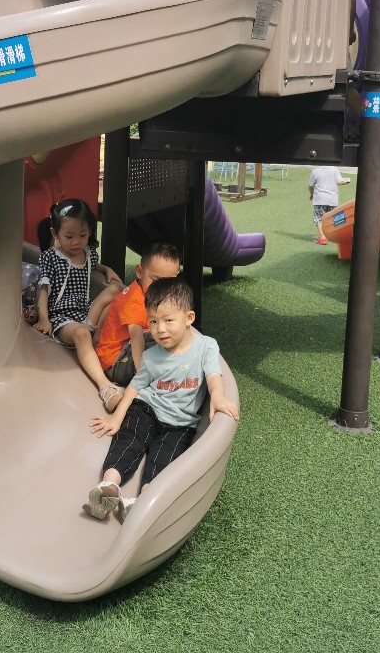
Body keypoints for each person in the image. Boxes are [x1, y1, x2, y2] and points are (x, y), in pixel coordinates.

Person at [84, 277, 239, 522]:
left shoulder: (206, 347)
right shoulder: (152, 356)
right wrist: (116, 418)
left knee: (165, 459)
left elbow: (213, 375)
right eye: (154, 321)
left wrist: (218, 397)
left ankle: (143, 502)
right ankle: (108, 487)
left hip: (180, 424)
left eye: (168, 320)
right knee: (130, 438)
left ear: (189, 318)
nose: (160, 329)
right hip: (147, 408)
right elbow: (135, 387)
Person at [34, 199, 123, 390]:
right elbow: (44, 289)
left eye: (82, 235)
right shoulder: (51, 257)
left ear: (90, 231)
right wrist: (44, 319)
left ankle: (96, 340)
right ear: (55, 233)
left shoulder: (88, 253)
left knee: (117, 290)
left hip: (86, 312)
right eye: (69, 236)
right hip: (61, 318)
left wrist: (107, 269)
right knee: (81, 333)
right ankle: (105, 386)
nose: (76, 242)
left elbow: (95, 266)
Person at [90, 241, 182, 412]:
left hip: (126, 352)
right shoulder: (134, 300)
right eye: (155, 280)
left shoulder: (155, 295)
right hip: (115, 362)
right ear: (139, 271)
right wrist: (141, 376)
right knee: (158, 336)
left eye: (168, 282)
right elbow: (136, 337)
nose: (161, 288)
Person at [309, 166, 351, 244]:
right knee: (334, 219)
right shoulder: (334, 170)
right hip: (332, 199)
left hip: (320, 199)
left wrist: (311, 194)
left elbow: (310, 186)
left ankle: (323, 238)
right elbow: (339, 182)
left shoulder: (315, 171)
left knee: (319, 219)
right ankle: (337, 237)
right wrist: (346, 182)